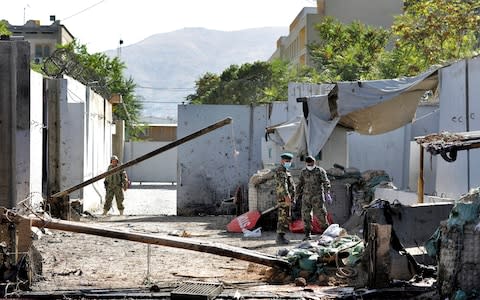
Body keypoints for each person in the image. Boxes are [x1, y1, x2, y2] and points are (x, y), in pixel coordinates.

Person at [296, 155, 331, 240]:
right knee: (306, 215)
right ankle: (307, 234)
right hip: (306, 197)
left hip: (317, 197)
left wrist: (327, 193)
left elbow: (326, 182)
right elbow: (299, 184)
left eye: (311, 164)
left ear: (314, 162)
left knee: (321, 214)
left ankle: (325, 233)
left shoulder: (320, 171)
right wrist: (296, 195)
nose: (309, 166)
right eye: (308, 164)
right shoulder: (303, 172)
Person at [274, 152, 296, 245]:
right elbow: (283, 185)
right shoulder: (281, 171)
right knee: (283, 217)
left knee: (286, 216)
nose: (288, 163)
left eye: (289, 161)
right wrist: (287, 196)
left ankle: (282, 236)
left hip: (286, 198)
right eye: (287, 161)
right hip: (284, 198)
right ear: (282, 161)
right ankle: (280, 237)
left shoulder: (286, 171)